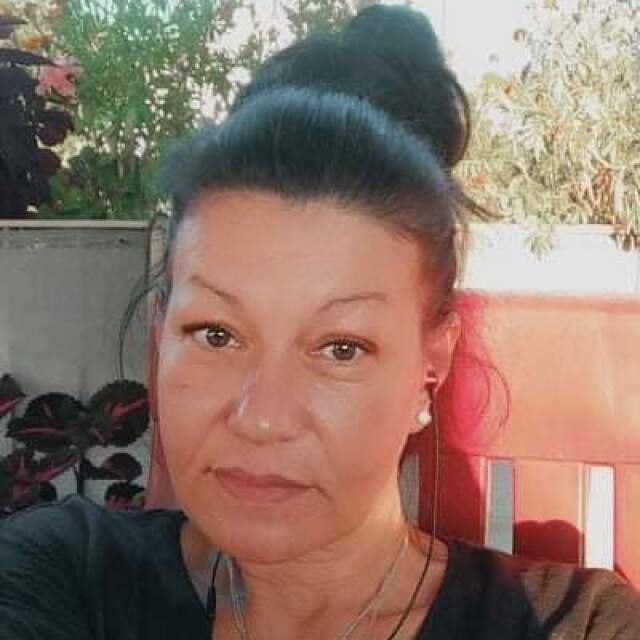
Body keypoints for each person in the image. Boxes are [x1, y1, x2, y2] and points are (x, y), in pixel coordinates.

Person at [1, 5, 639, 640]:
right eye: (216, 334)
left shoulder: (576, 626)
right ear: (161, 333)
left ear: (432, 364)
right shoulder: (60, 577)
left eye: (341, 348)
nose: (262, 418)